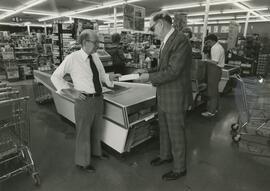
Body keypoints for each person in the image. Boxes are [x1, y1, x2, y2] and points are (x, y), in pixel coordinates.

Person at [51, 29, 120, 173]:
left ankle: (96, 153)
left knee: (96, 129)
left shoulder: (95, 57)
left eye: (98, 42)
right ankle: (82, 162)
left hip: (98, 99)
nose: (98, 46)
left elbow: (101, 75)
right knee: (83, 132)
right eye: (95, 42)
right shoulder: (72, 58)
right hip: (84, 101)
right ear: (84, 42)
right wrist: (71, 91)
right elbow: (55, 77)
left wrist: (110, 78)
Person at [136, 11, 192, 181]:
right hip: (164, 94)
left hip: (175, 95)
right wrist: (147, 71)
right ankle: (165, 155)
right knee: (164, 129)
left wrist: (149, 78)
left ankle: (179, 168)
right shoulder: (166, 41)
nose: (153, 32)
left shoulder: (180, 40)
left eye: (153, 28)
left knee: (176, 132)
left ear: (160, 24)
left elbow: (173, 71)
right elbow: (163, 68)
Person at [201, 34, 225, 117]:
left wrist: (205, 60)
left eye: (208, 42)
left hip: (214, 70)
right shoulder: (218, 46)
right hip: (216, 71)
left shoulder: (215, 48)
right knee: (215, 90)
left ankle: (211, 111)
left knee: (212, 91)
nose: (208, 44)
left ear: (211, 41)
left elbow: (215, 62)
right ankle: (216, 108)